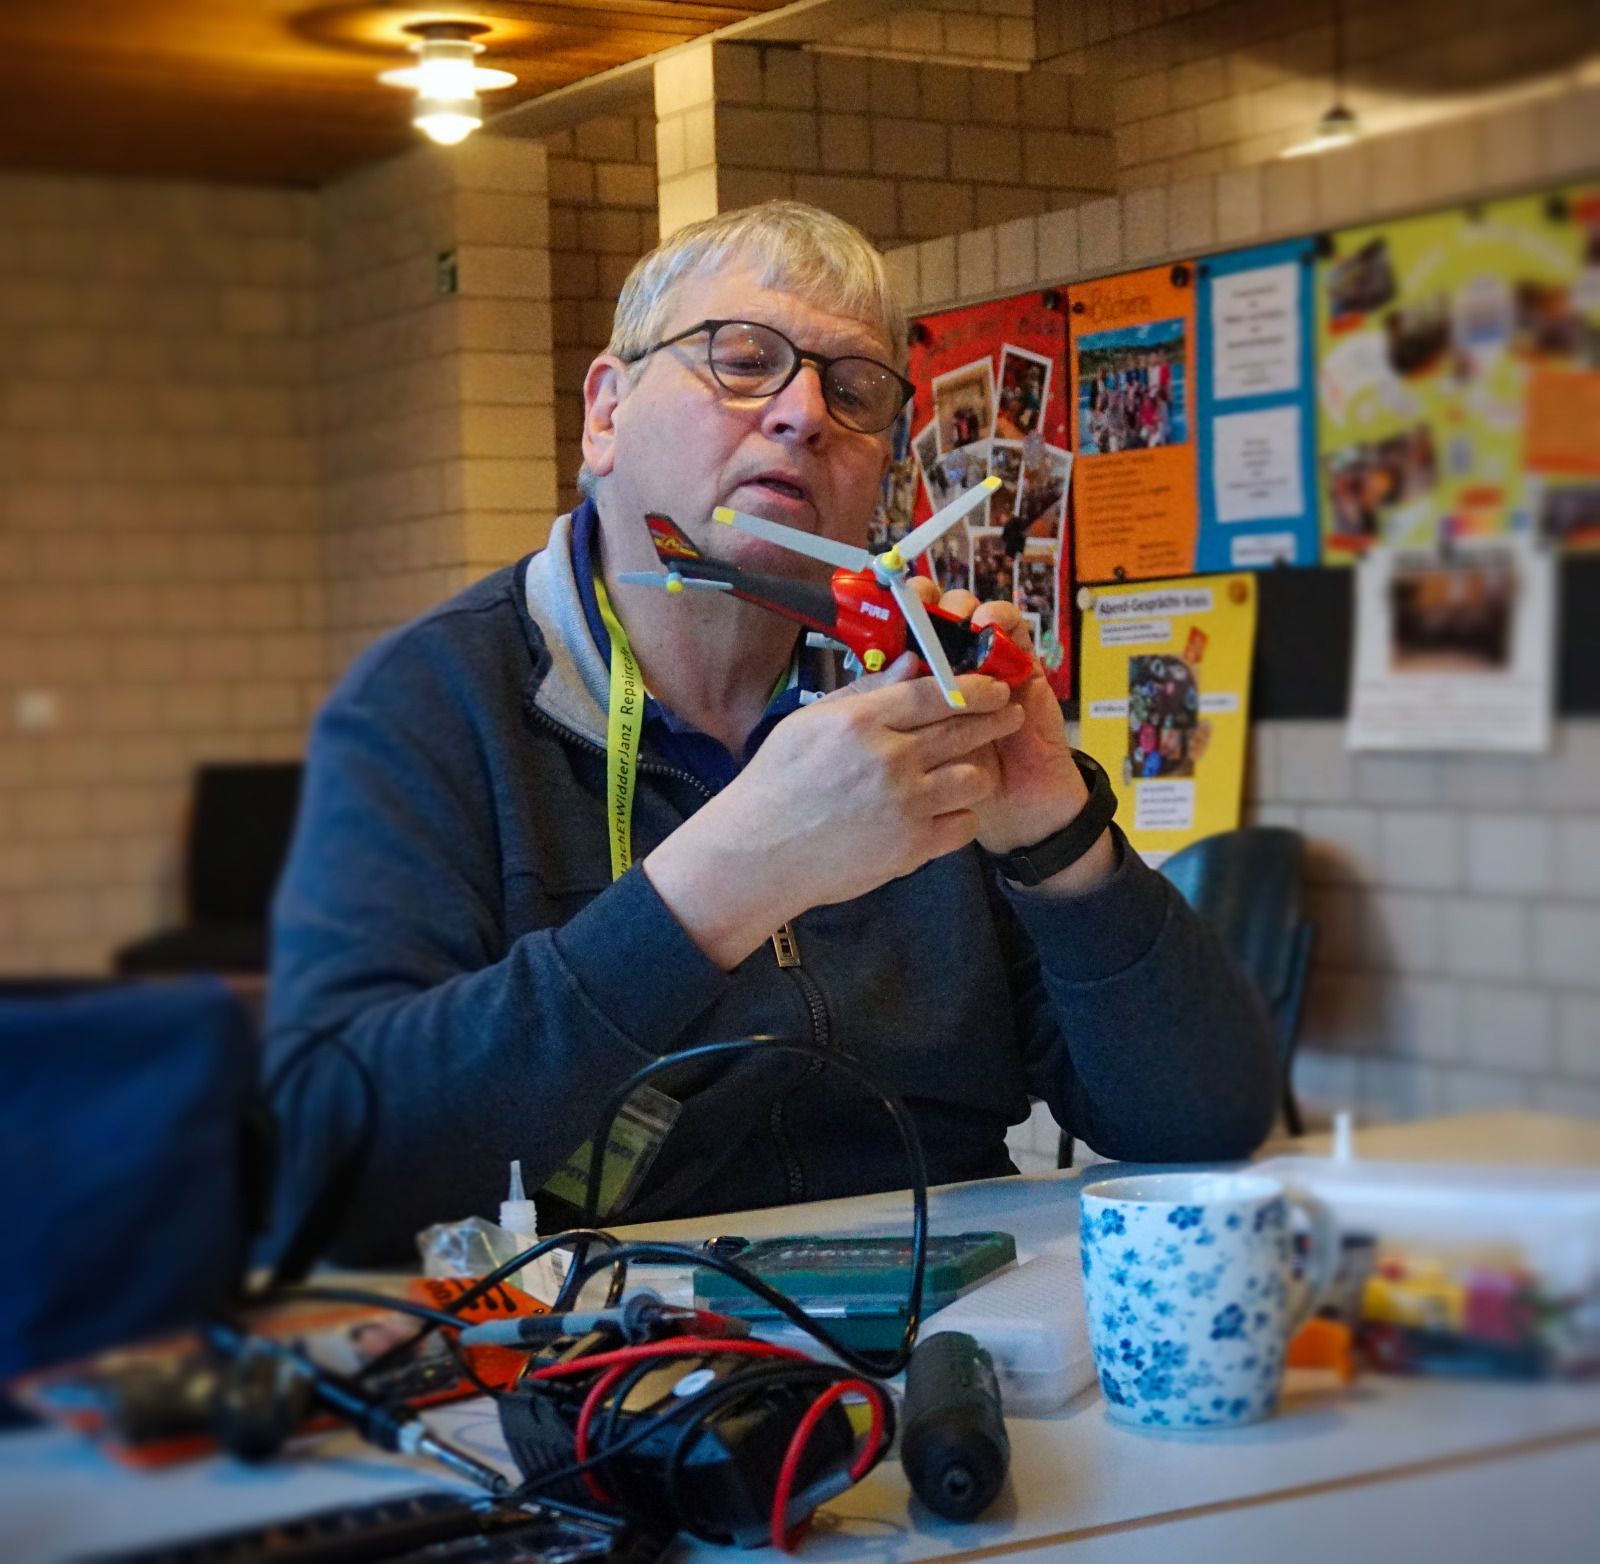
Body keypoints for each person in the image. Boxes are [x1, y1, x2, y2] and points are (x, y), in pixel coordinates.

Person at [265, 201, 1278, 1265]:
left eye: (853, 390)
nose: (802, 413)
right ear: (605, 413)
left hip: (967, 1326)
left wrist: (1055, 831)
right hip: (624, 1365)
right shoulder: (429, 706)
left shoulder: (914, 695)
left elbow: (1204, 1121)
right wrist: (725, 879)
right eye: (741, 360)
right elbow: (337, 1168)